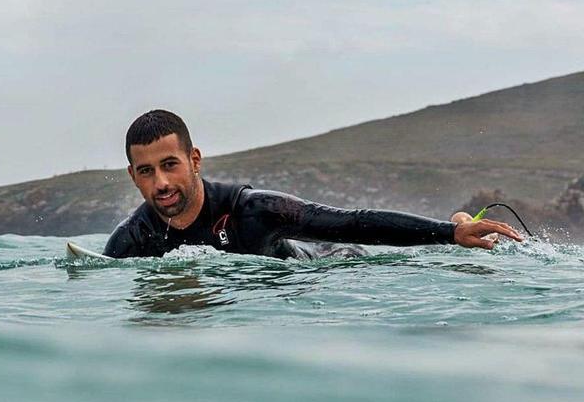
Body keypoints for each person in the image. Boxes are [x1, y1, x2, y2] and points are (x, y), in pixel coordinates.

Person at [103, 110, 522, 259]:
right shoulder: (132, 240)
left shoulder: (254, 209)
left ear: (194, 160)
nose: (161, 183)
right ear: (133, 177)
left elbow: (352, 223)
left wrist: (450, 235)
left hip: (329, 264)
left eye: (170, 165)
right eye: (146, 171)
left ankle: (458, 224)